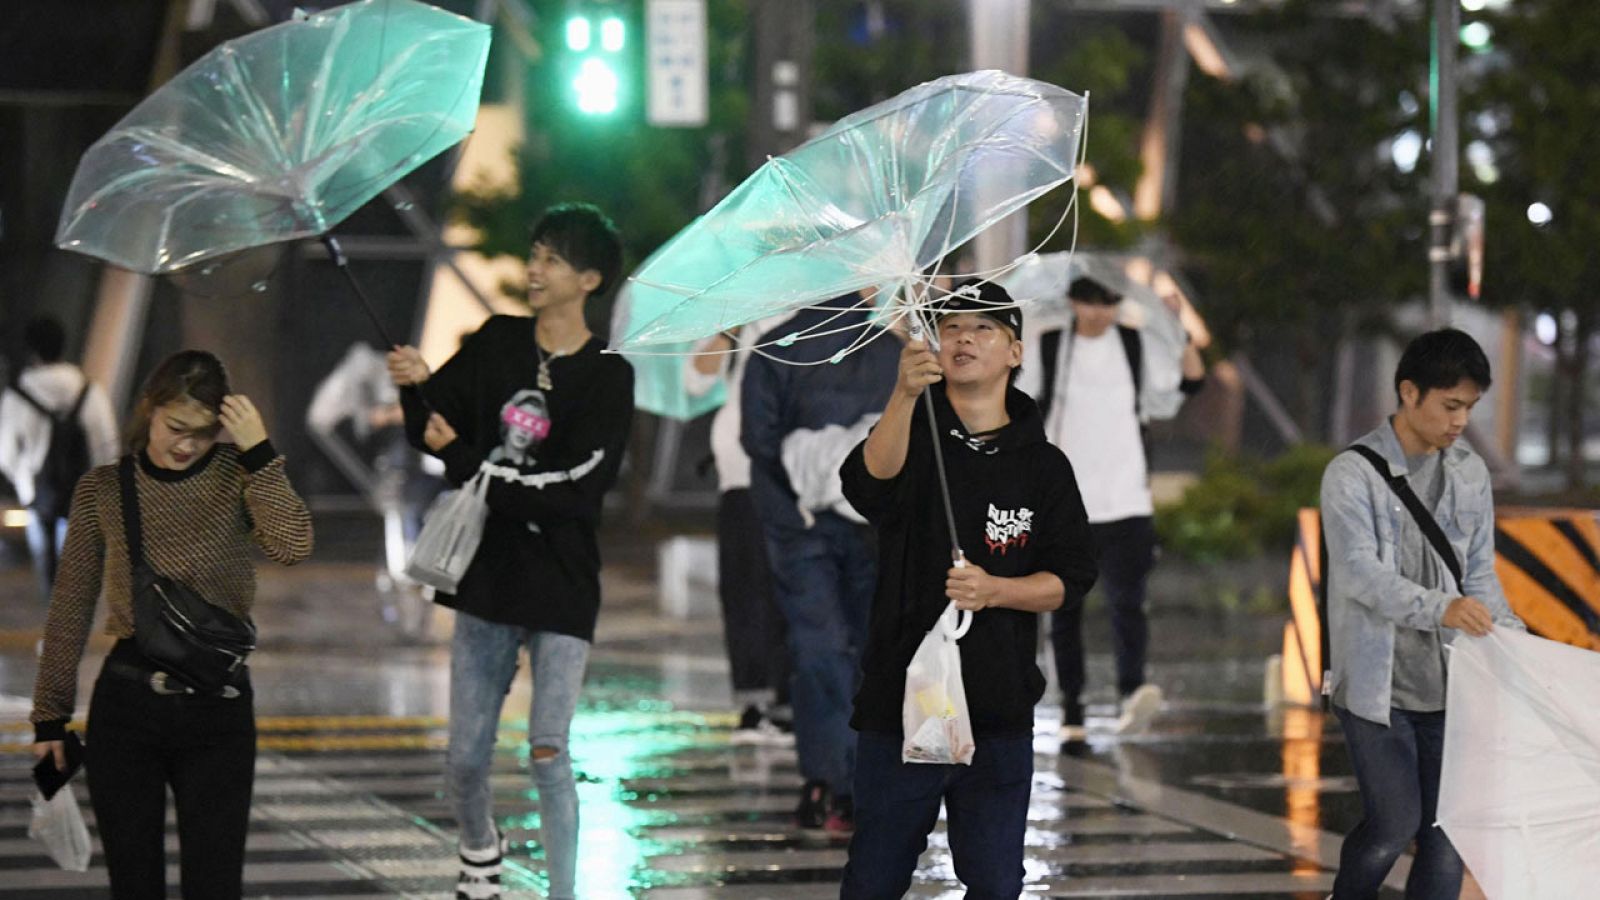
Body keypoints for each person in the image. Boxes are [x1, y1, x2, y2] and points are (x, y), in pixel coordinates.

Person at [387, 203, 633, 900]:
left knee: (548, 751)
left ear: (588, 278)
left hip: (563, 582)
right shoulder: (497, 341)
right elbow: (432, 427)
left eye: (552, 259)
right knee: (465, 760)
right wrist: (413, 386)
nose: (534, 268)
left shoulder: (609, 376)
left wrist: (466, 461)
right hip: (487, 574)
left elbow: (577, 493)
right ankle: (478, 846)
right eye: (535, 254)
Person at [838, 282, 1097, 897]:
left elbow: (1071, 580)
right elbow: (866, 489)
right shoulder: (913, 437)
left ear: (1014, 352)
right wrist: (903, 395)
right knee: (872, 881)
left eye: (984, 328)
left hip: (998, 711)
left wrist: (995, 590)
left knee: (995, 883)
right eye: (952, 327)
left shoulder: (1045, 466)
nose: (964, 338)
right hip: (900, 708)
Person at [29, 350, 313, 899]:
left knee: (215, 885)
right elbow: (70, 607)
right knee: (134, 885)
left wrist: (258, 451)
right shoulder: (104, 489)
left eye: (204, 434)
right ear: (148, 409)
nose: (186, 445)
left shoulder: (238, 475)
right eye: (176, 427)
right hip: (128, 706)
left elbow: (293, 545)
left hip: (219, 710)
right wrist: (49, 720)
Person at [1321, 327, 1523, 900]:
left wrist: (1513, 640)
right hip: (1376, 687)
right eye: (1450, 405)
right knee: (1393, 825)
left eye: (1470, 407)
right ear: (1409, 393)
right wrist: (1444, 608)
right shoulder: (1352, 474)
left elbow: (1479, 571)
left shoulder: (1469, 472)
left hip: (1455, 685)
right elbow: (1360, 574)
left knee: (1447, 835)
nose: (1460, 421)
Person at [1015, 276, 1205, 745]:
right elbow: (1016, 394)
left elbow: (1189, 381)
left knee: (1128, 603)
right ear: (1073, 302)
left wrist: (1175, 324)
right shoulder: (1052, 344)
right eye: (1089, 303)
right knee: (1064, 611)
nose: (1098, 313)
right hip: (1066, 503)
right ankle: (1072, 709)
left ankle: (1131, 692)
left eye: (1108, 303)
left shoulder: (1134, 343)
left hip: (1126, 498)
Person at [741, 296, 899, 830]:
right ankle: (852, 781)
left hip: (797, 523)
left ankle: (825, 778)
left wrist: (793, 505)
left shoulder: (775, 349)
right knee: (861, 649)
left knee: (818, 646)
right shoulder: (892, 349)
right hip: (871, 523)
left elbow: (758, 441)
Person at [684, 316, 795, 744]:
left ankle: (789, 702)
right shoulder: (739, 315)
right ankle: (753, 701)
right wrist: (731, 327)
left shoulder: (814, 311)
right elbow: (696, 380)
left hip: (791, 475)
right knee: (743, 590)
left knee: (786, 589)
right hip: (738, 477)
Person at [0, 315, 119, 601]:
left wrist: (25, 479)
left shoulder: (17, 396)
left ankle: (50, 619)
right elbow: (106, 444)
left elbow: (5, 451)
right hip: (82, 492)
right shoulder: (89, 390)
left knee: (47, 565)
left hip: (40, 494)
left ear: (32, 350)